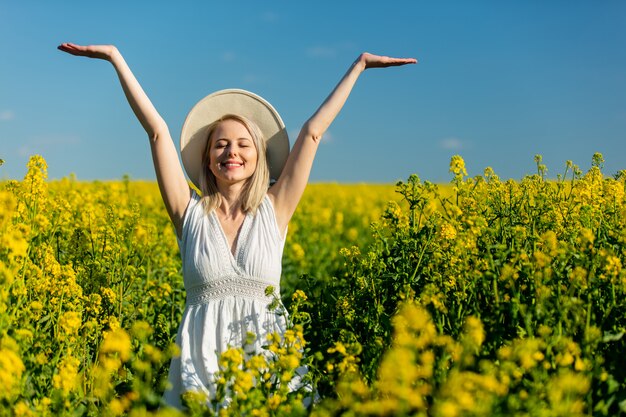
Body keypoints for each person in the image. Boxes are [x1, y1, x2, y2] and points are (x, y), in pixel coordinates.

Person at [57, 42, 416, 409]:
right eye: (220, 145)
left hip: (270, 366)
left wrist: (358, 67)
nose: (232, 152)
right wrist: (116, 58)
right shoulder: (189, 213)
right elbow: (157, 132)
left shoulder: (275, 210)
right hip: (200, 367)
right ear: (207, 159)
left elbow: (312, 133)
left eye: (244, 144)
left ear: (259, 157)